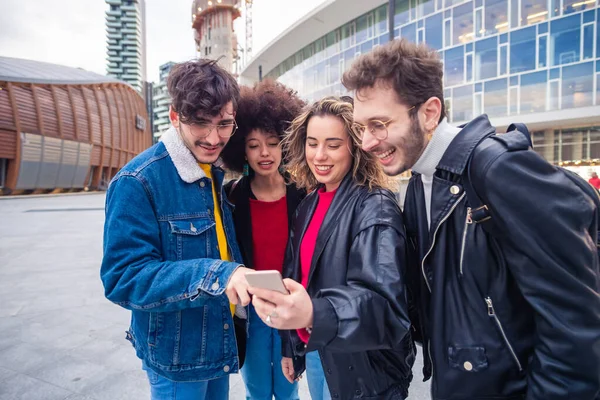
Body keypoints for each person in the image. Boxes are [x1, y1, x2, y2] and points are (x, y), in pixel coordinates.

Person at [343, 38, 600, 400]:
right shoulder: (419, 182)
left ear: (430, 112)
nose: (367, 142)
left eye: (380, 124)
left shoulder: (499, 169)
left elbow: (576, 321)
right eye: (361, 128)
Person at [100, 59, 254, 400]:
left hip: (219, 342)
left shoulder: (212, 171)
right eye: (201, 123)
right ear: (174, 116)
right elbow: (122, 278)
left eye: (225, 124)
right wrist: (217, 275)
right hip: (175, 356)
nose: (215, 138)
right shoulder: (137, 181)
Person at [248, 97, 415, 400]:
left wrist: (314, 313)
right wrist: (291, 347)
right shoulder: (308, 204)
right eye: (312, 143)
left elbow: (384, 306)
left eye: (333, 145)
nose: (320, 155)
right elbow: (295, 276)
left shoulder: (375, 207)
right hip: (317, 350)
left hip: (364, 365)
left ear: (355, 146)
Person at [221, 79, 305, 400]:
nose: (264, 153)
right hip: (251, 308)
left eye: (272, 142)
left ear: (285, 144)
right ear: (242, 148)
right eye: (254, 145)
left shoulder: (302, 194)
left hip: (292, 304)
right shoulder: (233, 195)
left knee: (287, 390)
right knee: (256, 391)